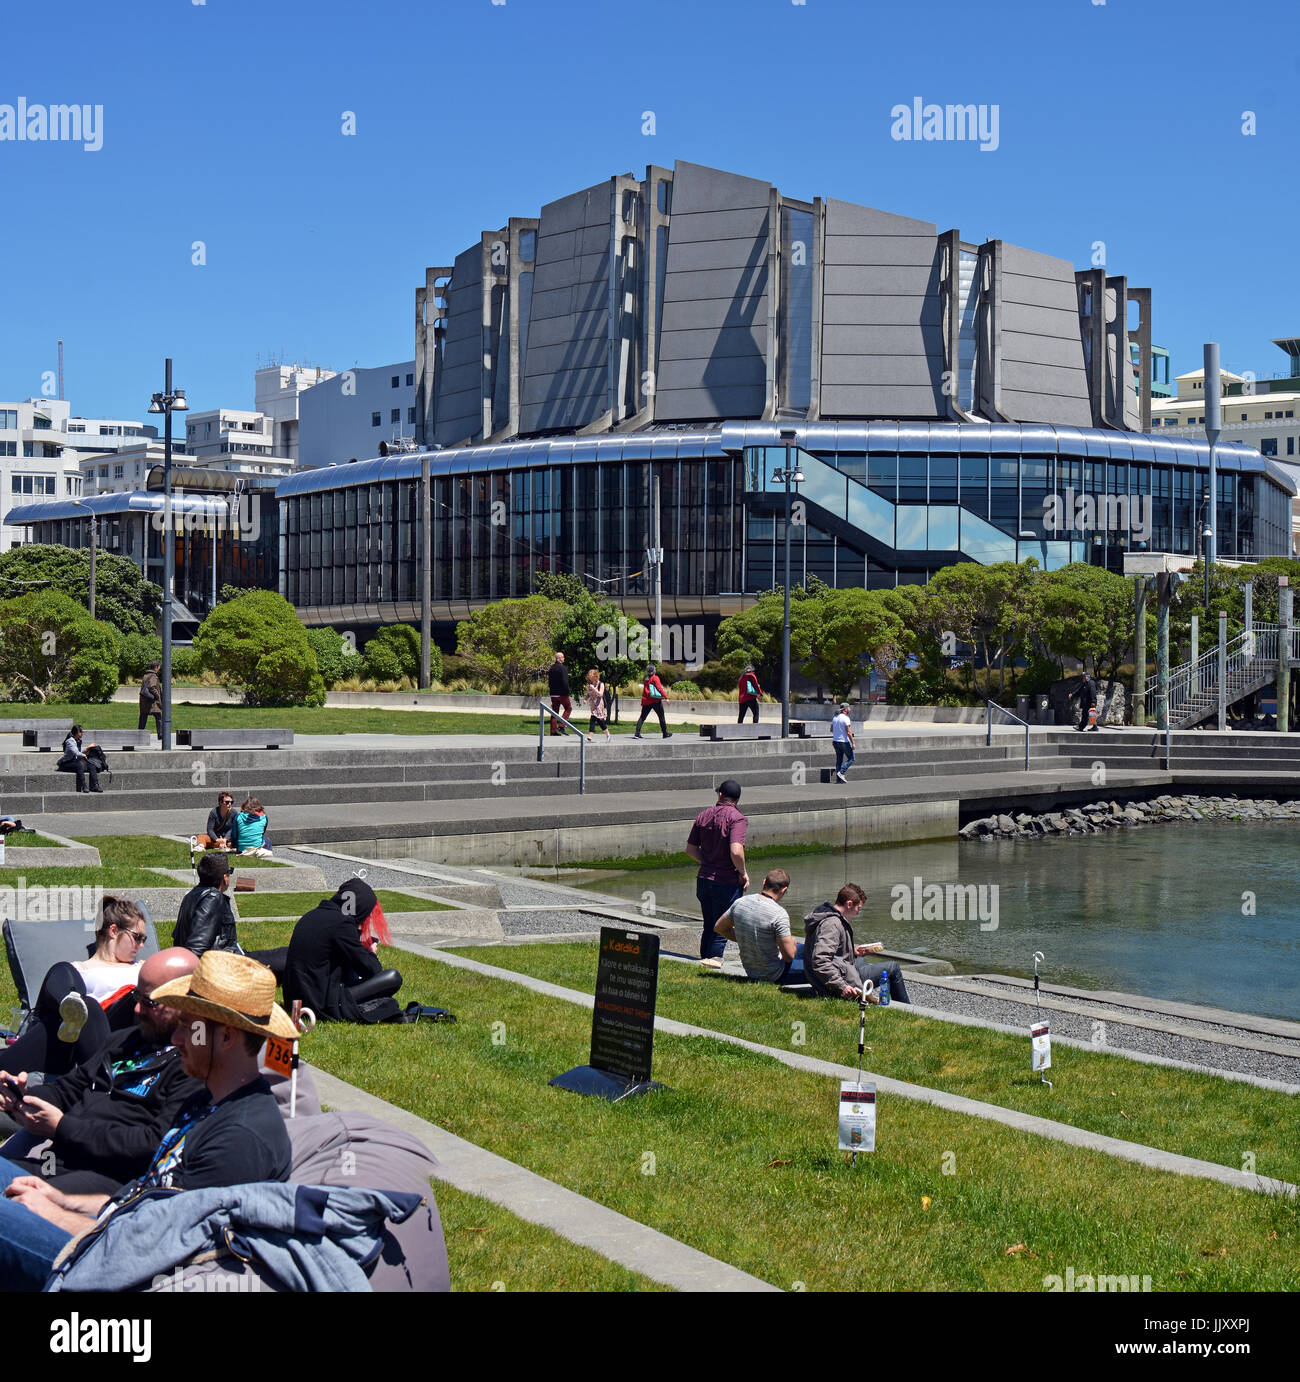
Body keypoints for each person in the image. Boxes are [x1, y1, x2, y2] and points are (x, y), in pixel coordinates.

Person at [0, 950, 296, 1291]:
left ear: (227, 1037)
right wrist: (65, 1200)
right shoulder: (205, 1102)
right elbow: (142, 1198)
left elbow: (156, 1250)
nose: (175, 1039)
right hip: (104, 1225)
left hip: (101, 1267)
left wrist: (56, 1216)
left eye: (187, 1029)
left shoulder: (240, 1139)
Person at [0, 948, 202, 1194]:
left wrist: (62, 1127)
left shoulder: (194, 1064)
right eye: (137, 997)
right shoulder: (127, 1041)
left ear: (187, 1002)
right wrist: (19, 1096)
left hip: (109, 1180)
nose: (137, 1010)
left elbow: (154, 1145)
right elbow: (67, 1090)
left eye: (149, 1002)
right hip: (57, 1163)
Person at [283, 878, 409, 1024]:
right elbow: (371, 969)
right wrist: (371, 952)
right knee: (392, 977)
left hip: (294, 1001)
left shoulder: (312, 914)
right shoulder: (342, 924)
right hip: (320, 1004)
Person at [173, 852, 287, 979]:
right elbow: (196, 947)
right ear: (224, 877)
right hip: (225, 965)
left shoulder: (192, 894)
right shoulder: (213, 898)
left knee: (287, 952)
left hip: (230, 957)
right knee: (290, 959)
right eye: (229, 871)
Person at [803, 884, 910, 1003]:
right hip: (835, 984)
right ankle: (906, 1007)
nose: (858, 912)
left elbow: (831, 952)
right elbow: (820, 960)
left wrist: (853, 951)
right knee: (893, 967)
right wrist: (842, 986)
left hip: (837, 971)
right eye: (858, 908)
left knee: (860, 961)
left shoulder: (826, 915)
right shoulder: (832, 924)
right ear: (849, 904)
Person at [685, 779, 748, 968]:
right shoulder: (737, 818)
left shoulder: (703, 815)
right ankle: (714, 961)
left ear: (720, 794)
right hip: (726, 881)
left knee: (709, 923)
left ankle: (704, 959)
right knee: (723, 925)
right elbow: (736, 851)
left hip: (704, 879)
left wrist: (707, 861)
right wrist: (743, 872)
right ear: (737, 799)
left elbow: (690, 849)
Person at [713, 869, 803, 983]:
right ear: (784, 890)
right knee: (818, 964)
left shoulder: (740, 902)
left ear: (764, 882)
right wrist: (793, 944)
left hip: (751, 969)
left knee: (807, 948)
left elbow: (719, 927)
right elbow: (789, 957)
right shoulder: (779, 914)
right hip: (774, 974)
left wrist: (747, 939)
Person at [74, 896, 149, 1010]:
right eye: (137, 937)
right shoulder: (79, 970)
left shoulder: (143, 967)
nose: (141, 945)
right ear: (114, 931)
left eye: (143, 939)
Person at [56, 724, 102, 794]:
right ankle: (83, 786)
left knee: (91, 765)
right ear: (76, 732)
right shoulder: (70, 741)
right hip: (66, 763)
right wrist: (83, 755)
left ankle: (95, 785)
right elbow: (76, 752)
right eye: (81, 731)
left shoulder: (78, 740)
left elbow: (79, 751)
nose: (82, 733)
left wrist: (88, 747)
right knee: (80, 765)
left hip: (75, 762)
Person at [632, 663, 673, 740]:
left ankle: (637, 734)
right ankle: (665, 733)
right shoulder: (655, 678)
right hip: (655, 701)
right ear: (653, 671)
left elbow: (645, 691)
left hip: (646, 701)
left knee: (642, 717)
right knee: (661, 717)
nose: (655, 670)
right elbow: (660, 688)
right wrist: (666, 697)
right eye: (655, 669)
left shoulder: (646, 679)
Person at [584, 667, 611, 743]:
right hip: (593, 705)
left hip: (599, 704)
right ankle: (607, 734)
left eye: (591, 677)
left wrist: (594, 689)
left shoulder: (601, 684)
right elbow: (589, 694)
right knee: (598, 720)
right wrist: (585, 699)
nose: (590, 679)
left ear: (595, 676)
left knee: (595, 720)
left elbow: (600, 694)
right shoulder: (590, 685)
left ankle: (590, 737)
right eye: (589, 677)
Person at [547, 651, 571, 736]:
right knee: (568, 708)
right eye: (563, 657)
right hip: (562, 693)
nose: (564, 658)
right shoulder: (562, 668)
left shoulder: (551, 668)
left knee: (554, 712)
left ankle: (553, 731)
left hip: (553, 693)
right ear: (559, 658)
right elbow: (565, 681)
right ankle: (561, 725)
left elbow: (549, 681)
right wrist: (567, 691)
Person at [831, 703, 856, 783]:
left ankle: (839, 780)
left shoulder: (835, 717)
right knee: (852, 758)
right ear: (845, 709)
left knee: (839, 760)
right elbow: (849, 732)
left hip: (835, 741)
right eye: (849, 707)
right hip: (843, 742)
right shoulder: (846, 718)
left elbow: (831, 729)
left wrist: (838, 731)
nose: (850, 709)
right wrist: (853, 743)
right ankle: (841, 772)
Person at [138, 661, 162, 736]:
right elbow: (152, 687)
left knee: (143, 718)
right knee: (159, 717)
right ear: (156, 667)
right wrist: (157, 695)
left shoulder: (145, 675)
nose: (159, 669)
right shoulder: (153, 676)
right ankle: (161, 734)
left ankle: (139, 734)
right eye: (159, 667)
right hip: (152, 702)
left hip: (145, 701)